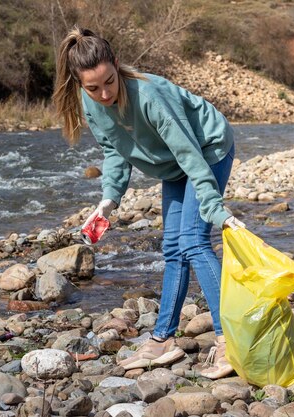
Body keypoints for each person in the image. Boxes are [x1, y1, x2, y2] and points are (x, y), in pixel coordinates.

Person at [52, 27, 246, 379]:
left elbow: (189, 153)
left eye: (110, 82)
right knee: (172, 248)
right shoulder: (91, 103)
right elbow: (114, 150)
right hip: (172, 165)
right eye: (93, 88)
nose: (105, 93)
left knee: (194, 241)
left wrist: (216, 210)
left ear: (115, 64)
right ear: (79, 84)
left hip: (208, 150)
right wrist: (108, 200)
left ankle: (229, 341)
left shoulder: (150, 95)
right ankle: (162, 340)